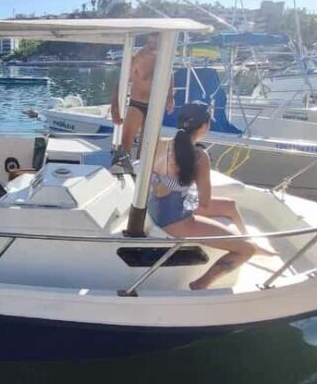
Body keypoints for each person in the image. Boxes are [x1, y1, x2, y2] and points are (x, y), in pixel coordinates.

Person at [148, 101, 273, 290]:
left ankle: (247, 239)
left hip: (159, 207)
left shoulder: (161, 144)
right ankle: (201, 284)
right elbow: (205, 203)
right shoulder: (199, 156)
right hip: (174, 220)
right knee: (246, 251)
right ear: (204, 126)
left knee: (229, 206)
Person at [111, 38, 175, 166]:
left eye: (158, 39)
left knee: (147, 149)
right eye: (153, 39)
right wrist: (115, 106)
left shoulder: (163, 59)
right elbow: (121, 82)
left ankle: (140, 178)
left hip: (155, 106)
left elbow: (170, 74)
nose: (155, 43)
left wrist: (170, 96)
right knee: (125, 145)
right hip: (137, 104)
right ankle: (120, 173)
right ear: (148, 41)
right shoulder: (137, 59)